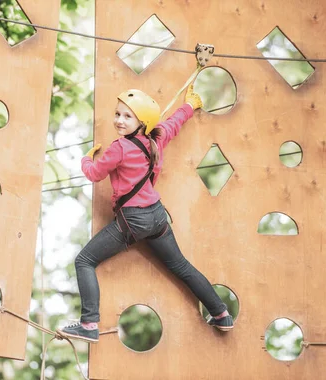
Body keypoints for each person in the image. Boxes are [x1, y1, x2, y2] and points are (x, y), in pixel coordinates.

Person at [57, 86, 233, 343]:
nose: (119, 120)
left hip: (133, 221)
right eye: (118, 114)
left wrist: (86, 158)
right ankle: (221, 314)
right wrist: (190, 105)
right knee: (181, 266)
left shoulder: (119, 148)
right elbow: (173, 123)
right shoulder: (157, 139)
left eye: (127, 117)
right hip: (157, 217)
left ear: (142, 122)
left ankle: (88, 324)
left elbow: (95, 173)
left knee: (84, 261)